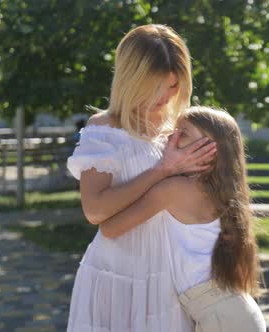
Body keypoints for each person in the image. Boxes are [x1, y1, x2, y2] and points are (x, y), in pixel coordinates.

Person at [65, 24, 216, 331]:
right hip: (116, 275)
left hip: (171, 277)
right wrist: (162, 170)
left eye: (173, 86)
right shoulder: (105, 129)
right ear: (131, 79)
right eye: (156, 86)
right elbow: (95, 211)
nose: (165, 96)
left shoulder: (181, 127)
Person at [98, 106, 266, 332]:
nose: (170, 136)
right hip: (232, 313)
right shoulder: (212, 191)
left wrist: (162, 169)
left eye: (182, 133)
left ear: (209, 151)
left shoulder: (175, 189)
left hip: (223, 318)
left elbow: (110, 228)